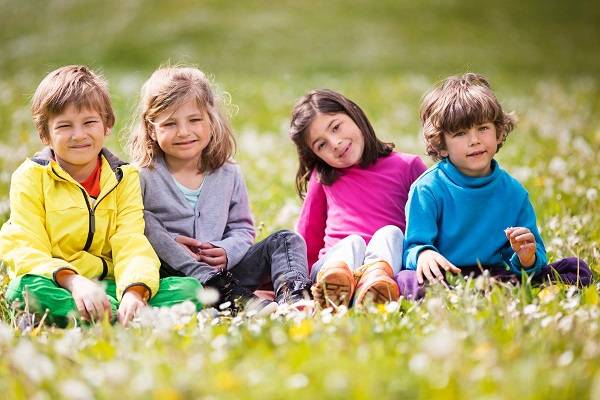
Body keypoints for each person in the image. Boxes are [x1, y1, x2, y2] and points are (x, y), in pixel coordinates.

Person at [0, 65, 202, 328]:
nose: (79, 135)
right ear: (45, 134)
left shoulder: (124, 177)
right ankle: (124, 321)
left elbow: (132, 242)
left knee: (191, 290)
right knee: (22, 291)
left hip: (112, 287)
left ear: (107, 125)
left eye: (89, 122)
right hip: (59, 285)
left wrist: (135, 291)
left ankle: (100, 317)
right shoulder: (30, 177)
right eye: (64, 126)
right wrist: (74, 282)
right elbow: (26, 246)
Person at [128, 66, 311, 314]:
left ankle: (294, 298)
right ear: (152, 129)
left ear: (211, 121)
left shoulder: (227, 172)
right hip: (176, 276)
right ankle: (243, 301)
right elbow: (134, 233)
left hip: (230, 272)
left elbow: (242, 229)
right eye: (170, 123)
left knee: (285, 240)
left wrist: (227, 251)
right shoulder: (143, 176)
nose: (184, 132)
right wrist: (172, 243)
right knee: (143, 220)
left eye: (194, 120)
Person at [398, 73, 592, 299]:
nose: (474, 140)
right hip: (445, 275)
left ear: (499, 133)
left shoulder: (513, 192)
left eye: (483, 128)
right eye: (460, 133)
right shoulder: (428, 189)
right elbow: (413, 247)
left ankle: (484, 293)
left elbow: (533, 255)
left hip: (492, 275)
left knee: (574, 270)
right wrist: (424, 255)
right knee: (407, 281)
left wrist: (526, 256)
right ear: (441, 146)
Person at [289, 89, 427, 308]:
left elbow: (429, 223)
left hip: (386, 267)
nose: (334, 142)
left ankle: (372, 289)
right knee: (353, 242)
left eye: (336, 127)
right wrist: (289, 286)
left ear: (353, 113)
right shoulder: (324, 178)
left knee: (391, 234)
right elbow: (308, 238)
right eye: (321, 144)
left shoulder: (408, 166)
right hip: (332, 267)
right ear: (316, 155)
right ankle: (335, 290)